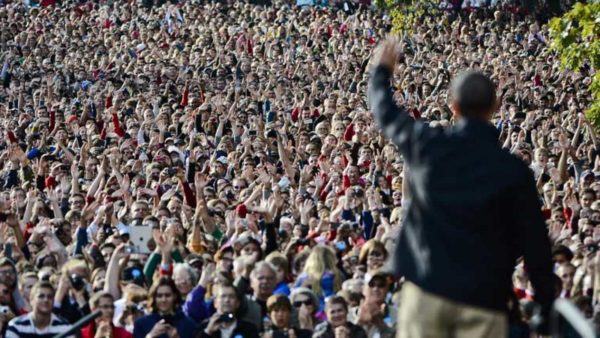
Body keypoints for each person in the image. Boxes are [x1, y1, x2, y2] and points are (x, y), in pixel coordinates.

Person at [368, 37, 556, 337]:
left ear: (453, 107)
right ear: (495, 106)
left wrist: (381, 70)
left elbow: (383, 111)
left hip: (425, 294)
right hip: (484, 301)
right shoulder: (514, 170)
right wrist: (546, 306)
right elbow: (536, 243)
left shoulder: (427, 145)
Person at [6, 281, 73, 338]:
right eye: (41, 296)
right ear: (31, 300)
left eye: (49, 297)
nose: (46, 300)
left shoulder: (65, 327)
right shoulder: (15, 326)